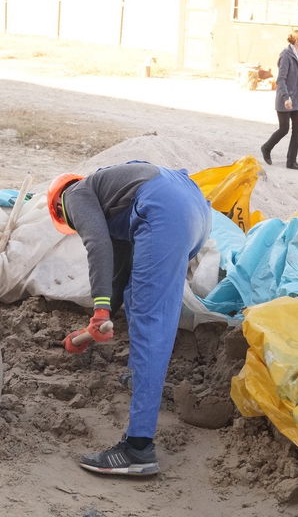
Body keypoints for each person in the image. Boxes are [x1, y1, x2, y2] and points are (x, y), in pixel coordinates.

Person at [46, 161, 211, 476]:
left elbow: (98, 247)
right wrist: (102, 317)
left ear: (58, 206)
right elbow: (118, 275)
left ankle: (138, 449)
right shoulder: (114, 199)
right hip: (195, 212)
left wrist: (99, 312)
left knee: (151, 320)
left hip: (164, 209)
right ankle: (141, 377)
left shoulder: (75, 194)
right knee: (141, 296)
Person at [260, 27, 298, 170]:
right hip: (286, 99)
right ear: (296, 41)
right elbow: (281, 79)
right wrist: (286, 97)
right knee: (284, 129)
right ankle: (266, 148)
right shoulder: (286, 56)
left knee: (297, 130)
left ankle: (291, 161)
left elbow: (297, 76)